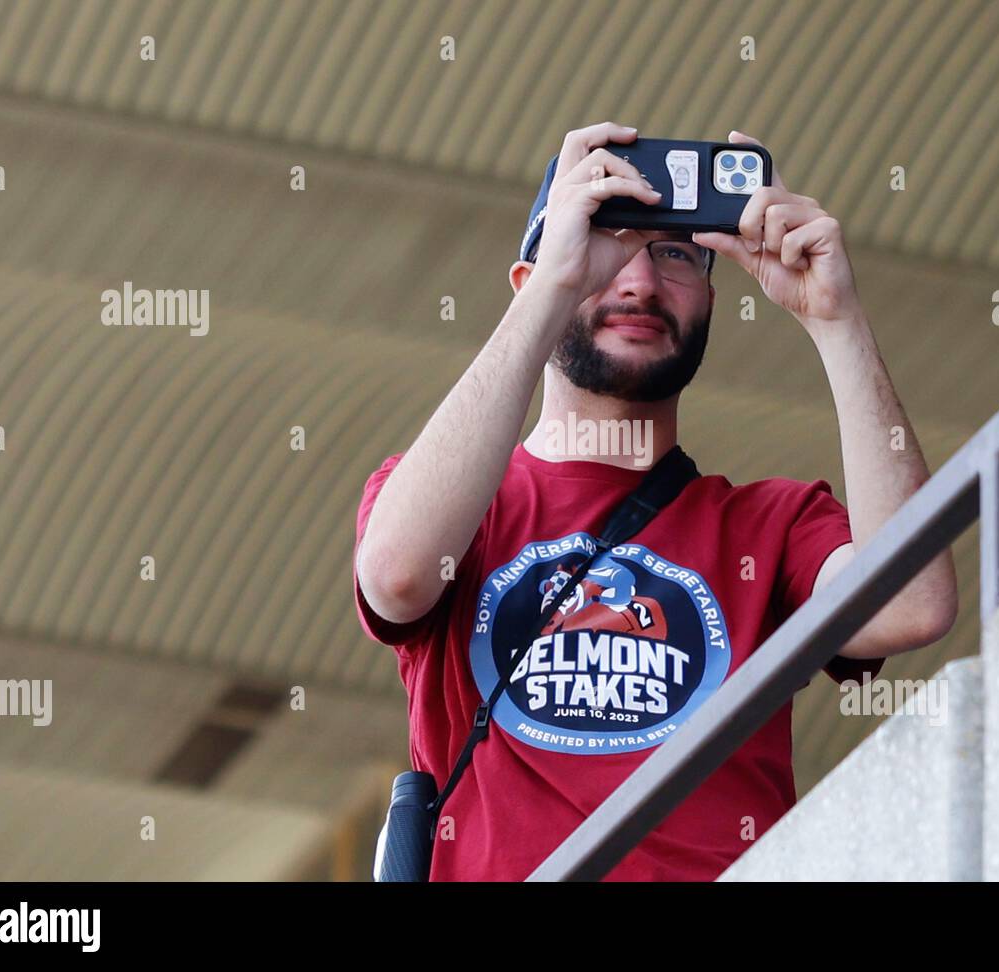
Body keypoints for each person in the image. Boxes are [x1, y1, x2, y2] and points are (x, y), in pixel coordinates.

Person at [354, 122, 958, 881]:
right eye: (609, 241)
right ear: (531, 283)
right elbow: (399, 575)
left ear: (710, 296)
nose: (639, 282)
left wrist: (838, 322)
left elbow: (913, 605)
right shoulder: (452, 501)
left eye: (673, 254)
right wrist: (558, 280)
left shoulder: (768, 525)